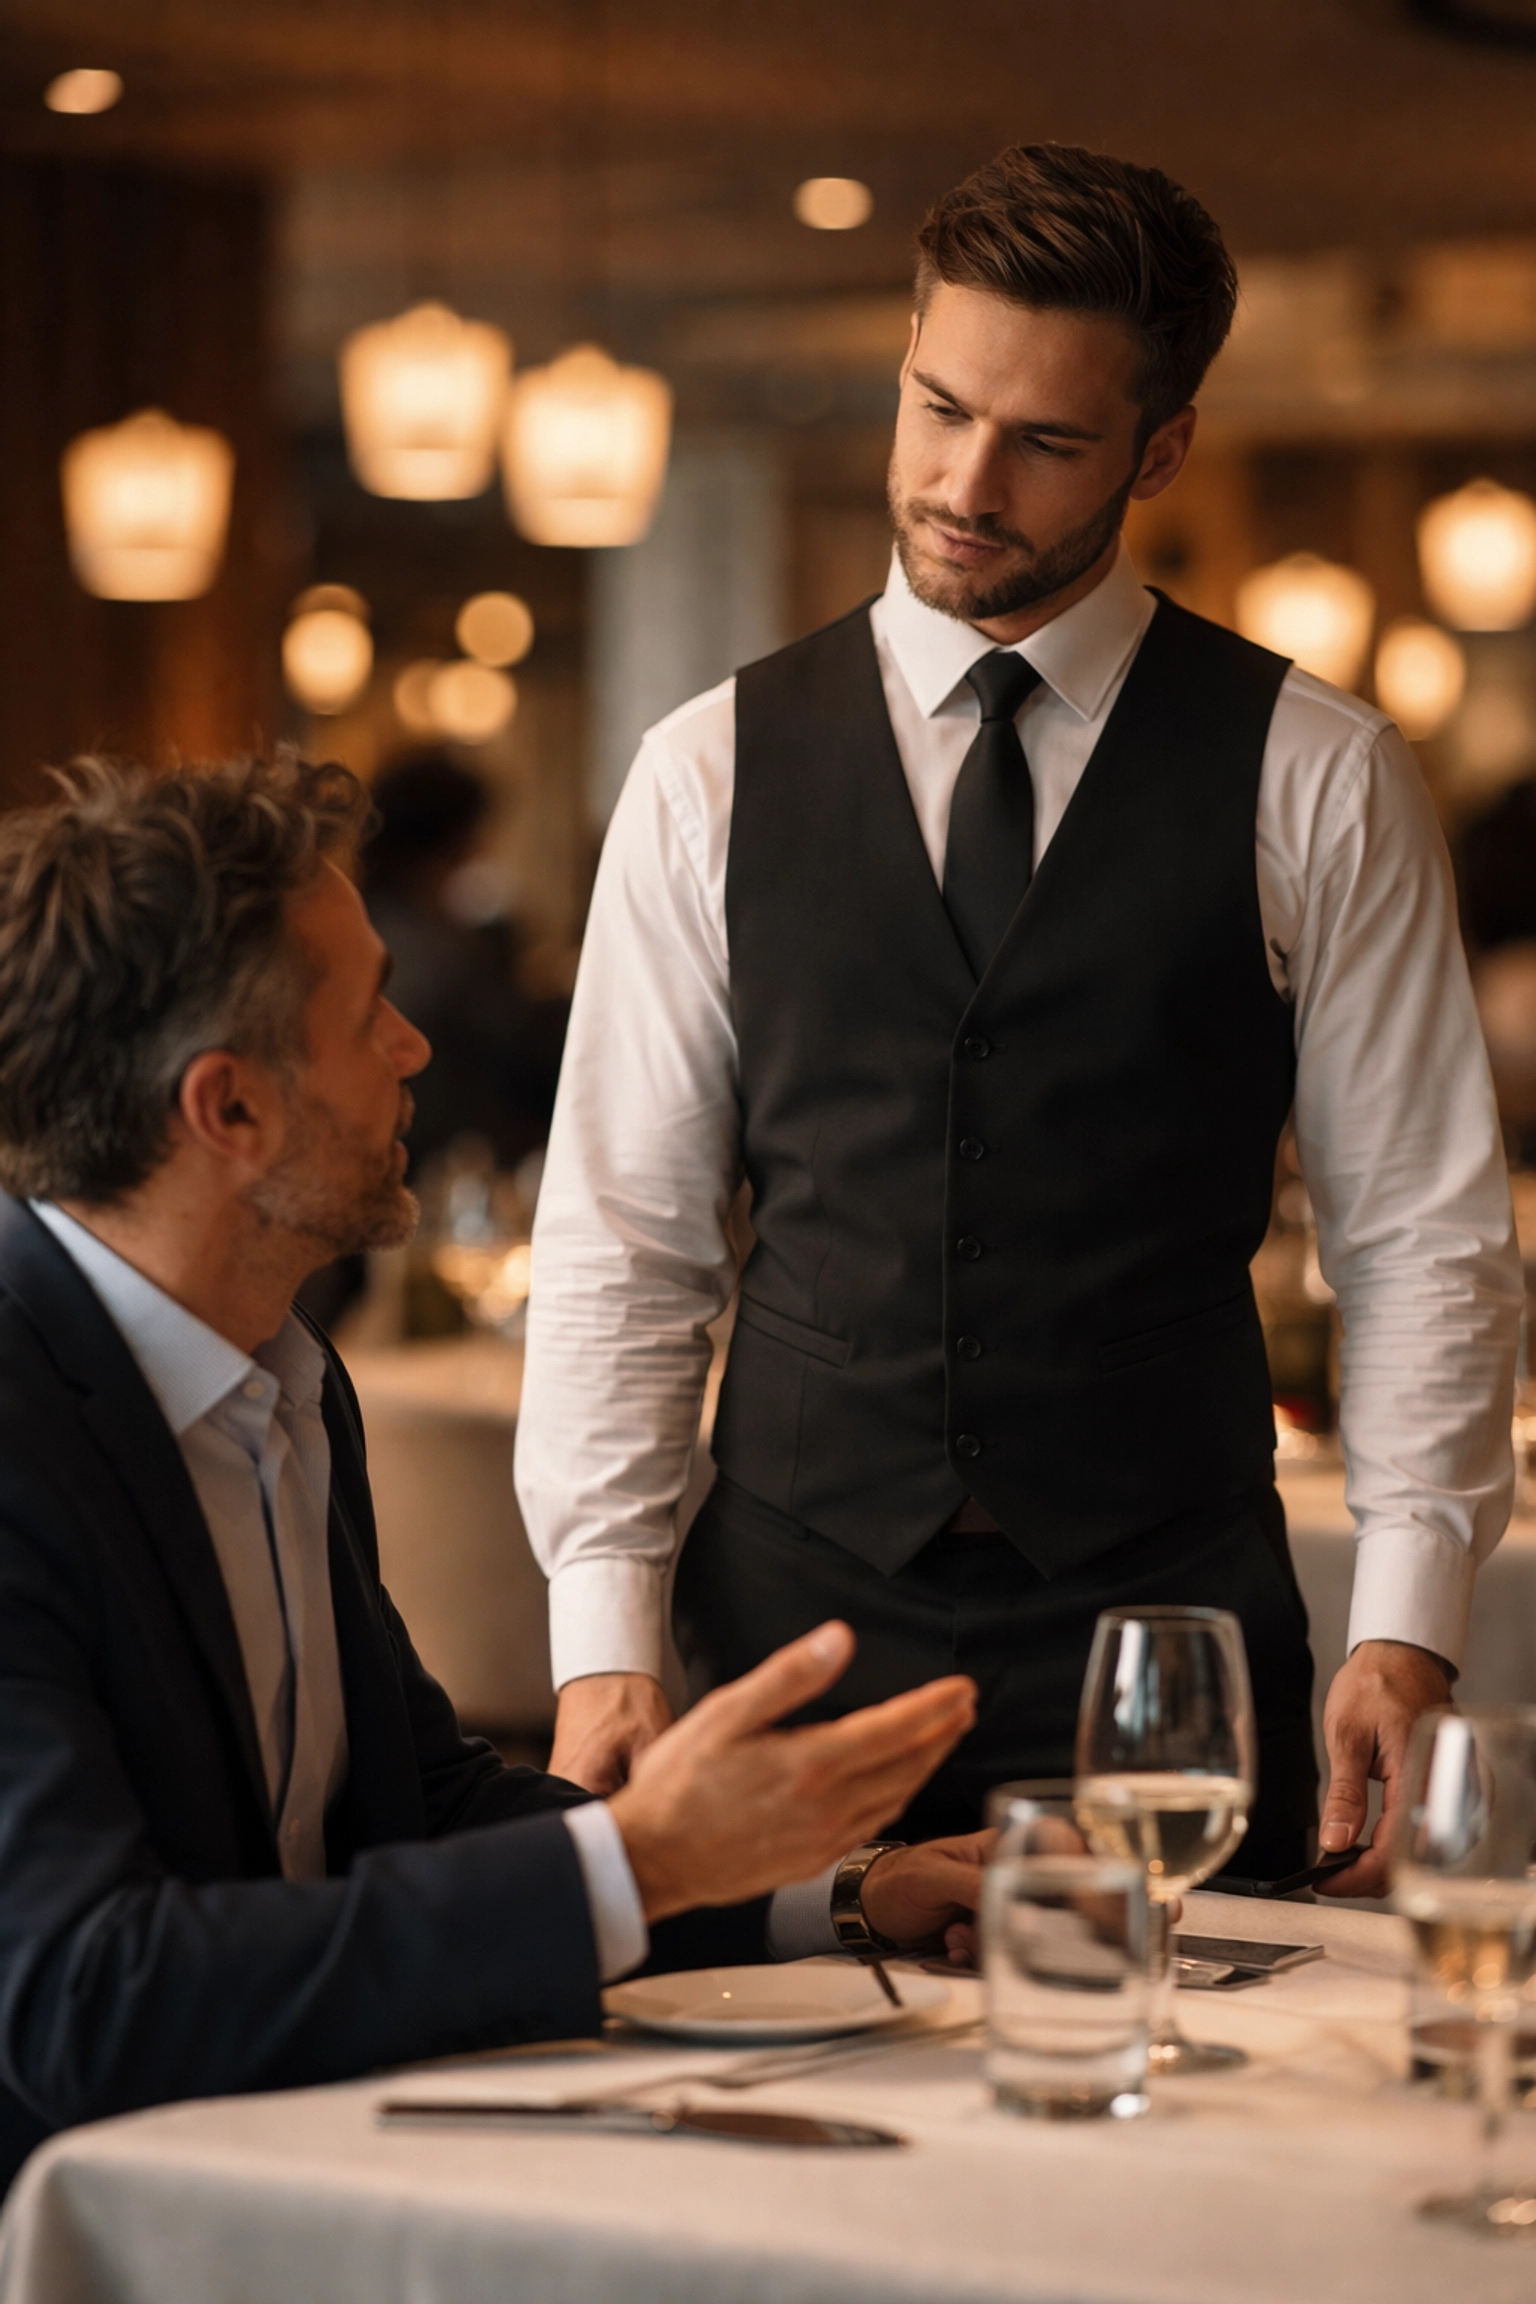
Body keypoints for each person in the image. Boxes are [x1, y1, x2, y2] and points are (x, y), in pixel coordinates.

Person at [516, 141, 1521, 1895]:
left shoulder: (1319, 775)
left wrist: (1408, 1615)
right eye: (938, 408)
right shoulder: (705, 773)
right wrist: (603, 1629)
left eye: (1045, 441)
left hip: (1170, 1636)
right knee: (775, 2064)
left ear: (1160, 450)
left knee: (1203, 2066)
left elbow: (1423, 1232)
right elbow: (626, 1238)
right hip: (789, 1622)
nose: (966, 483)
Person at [0, 753, 984, 2194]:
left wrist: (831, 1886)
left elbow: (426, 1806)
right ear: (229, 1110)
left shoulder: (280, 1380)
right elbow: (85, 1996)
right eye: (366, 1015)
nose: (414, 1047)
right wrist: (639, 1863)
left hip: (310, 2164)